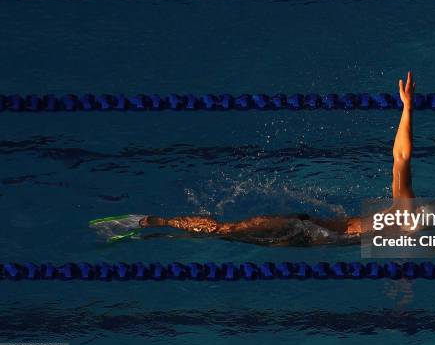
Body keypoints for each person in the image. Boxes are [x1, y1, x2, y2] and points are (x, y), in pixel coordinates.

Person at [90, 72, 417, 245]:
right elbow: (401, 156)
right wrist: (407, 108)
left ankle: (148, 232)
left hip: (305, 233)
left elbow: (401, 157)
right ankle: (146, 222)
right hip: (300, 231)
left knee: (225, 236)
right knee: (222, 231)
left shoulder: (401, 215)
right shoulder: (401, 216)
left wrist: (407, 107)